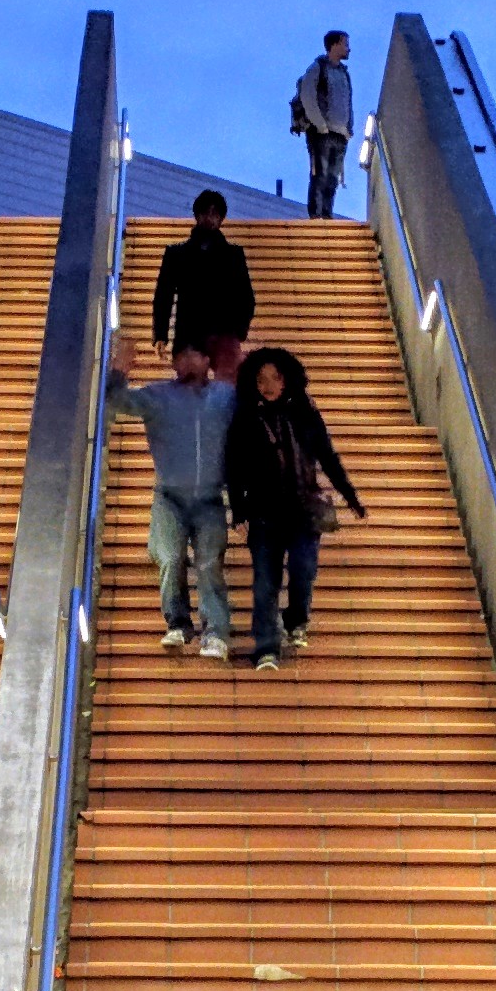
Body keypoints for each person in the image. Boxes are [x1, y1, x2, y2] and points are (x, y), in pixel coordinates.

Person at [225, 345, 366, 670]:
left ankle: (295, 620)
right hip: (263, 515)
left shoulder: (306, 414)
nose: (269, 385)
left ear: (288, 380)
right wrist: (238, 510)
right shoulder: (245, 418)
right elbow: (234, 465)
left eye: (275, 378)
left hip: (303, 512)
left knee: (304, 572)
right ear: (252, 383)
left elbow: (328, 457)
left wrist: (351, 497)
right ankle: (266, 648)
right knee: (265, 582)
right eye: (261, 380)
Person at [111, 339, 236, 658]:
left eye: (195, 354)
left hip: (210, 498)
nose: (188, 361)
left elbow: (254, 417)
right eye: (181, 356)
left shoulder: (225, 396)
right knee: (169, 558)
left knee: (209, 564)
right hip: (169, 496)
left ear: (208, 360)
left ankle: (216, 632)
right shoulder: (158, 396)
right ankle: (178, 623)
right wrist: (119, 369)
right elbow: (117, 403)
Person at [152, 189, 254, 367]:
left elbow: (245, 297)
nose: (210, 218)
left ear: (221, 218)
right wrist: (160, 334)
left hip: (223, 333)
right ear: (197, 215)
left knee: (224, 389)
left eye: (215, 214)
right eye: (205, 213)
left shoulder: (233, 255)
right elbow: (163, 296)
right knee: (189, 390)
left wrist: (238, 331)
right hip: (189, 332)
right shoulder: (177, 254)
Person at [290, 30, 358, 218]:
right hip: (321, 133)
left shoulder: (344, 73)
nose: (348, 48)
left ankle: (327, 216)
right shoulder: (317, 68)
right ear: (334, 45)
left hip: (340, 134)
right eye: (345, 44)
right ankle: (316, 217)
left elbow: (348, 101)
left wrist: (348, 129)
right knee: (319, 176)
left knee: (332, 179)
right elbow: (307, 96)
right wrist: (320, 124)